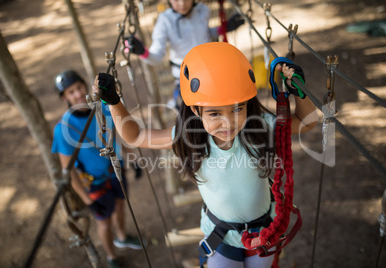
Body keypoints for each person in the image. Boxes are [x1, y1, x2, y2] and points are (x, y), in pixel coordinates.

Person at [94, 42, 317, 268]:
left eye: (238, 108)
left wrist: (299, 92)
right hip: (221, 236)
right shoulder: (190, 139)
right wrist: (113, 102)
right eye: (214, 113)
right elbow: (135, 136)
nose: (227, 122)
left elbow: (306, 123)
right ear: (195, 110)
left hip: (264, 230)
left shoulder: (260, 127)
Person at [51, 70, 144, 268]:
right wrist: (87, 201)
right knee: (104, 222)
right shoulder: (64, 129)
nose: (77, 94)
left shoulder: (103, 106)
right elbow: (68, 170)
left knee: (120, 206)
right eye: (71, 92)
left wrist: (132, 158)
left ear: (85, 86)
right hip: (94, 184)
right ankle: (112, 257)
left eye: (79, 87)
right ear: (64, 97)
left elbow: (119, 133)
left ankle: (122, 236)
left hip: (115, 170)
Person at [125, 0, 245, 109]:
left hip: (211, 74)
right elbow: (156, 56)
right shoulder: (165, 21)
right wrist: (143, 52)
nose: (182, 4)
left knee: (221, 108)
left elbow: (205, 34)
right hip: (186, 81)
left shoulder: (202, 10)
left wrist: (223, 29)